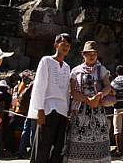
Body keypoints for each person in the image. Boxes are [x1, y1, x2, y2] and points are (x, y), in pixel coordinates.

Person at [64, 40, 112, 163]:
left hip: (98, 110)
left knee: (99, 142)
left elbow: (108, 86)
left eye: (94, 53)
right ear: (83, 55)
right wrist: (87, 100)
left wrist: (100, 95)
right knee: (78, 140)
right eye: (88, 53)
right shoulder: (75, 71)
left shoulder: (102, 69)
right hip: (80, 110)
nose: (91, 56)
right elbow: (73, 91)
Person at [29, 33, 72, 163]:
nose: (66, 47)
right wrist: (39, 110)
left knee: (58, 148)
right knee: (42, 147)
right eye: (63, 44)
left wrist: (68, 112)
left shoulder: (67, 67)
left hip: (62, 111)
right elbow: (39, 85)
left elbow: (66, 91)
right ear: (56, 45)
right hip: (48, 108)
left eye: (68, 45)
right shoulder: (46, 60)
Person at [15, 70, 35, 158]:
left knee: (26, 130)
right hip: (34, 110)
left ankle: (21, 150)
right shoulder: (36, 83)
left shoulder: (28, 85)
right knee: (33, 131)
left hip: (28, 110)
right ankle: (32, 152)